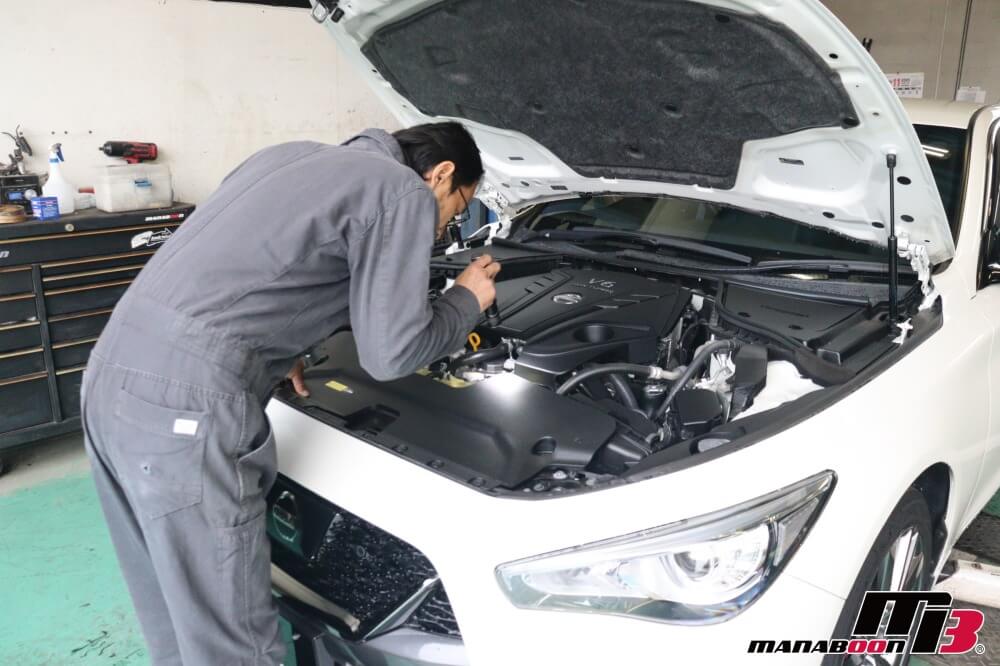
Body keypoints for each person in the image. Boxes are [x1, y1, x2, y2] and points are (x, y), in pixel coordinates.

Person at [80, 122, 499, 665]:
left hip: (113, 373)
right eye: (456, 210)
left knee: (176, 605)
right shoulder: (399, 190)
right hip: (187, 404)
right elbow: (392, 354)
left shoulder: (287, 155)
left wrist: (282, 343)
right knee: (234, 639)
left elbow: (256, 266)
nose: (444, 229)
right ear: (441, 174)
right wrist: (465, 300)